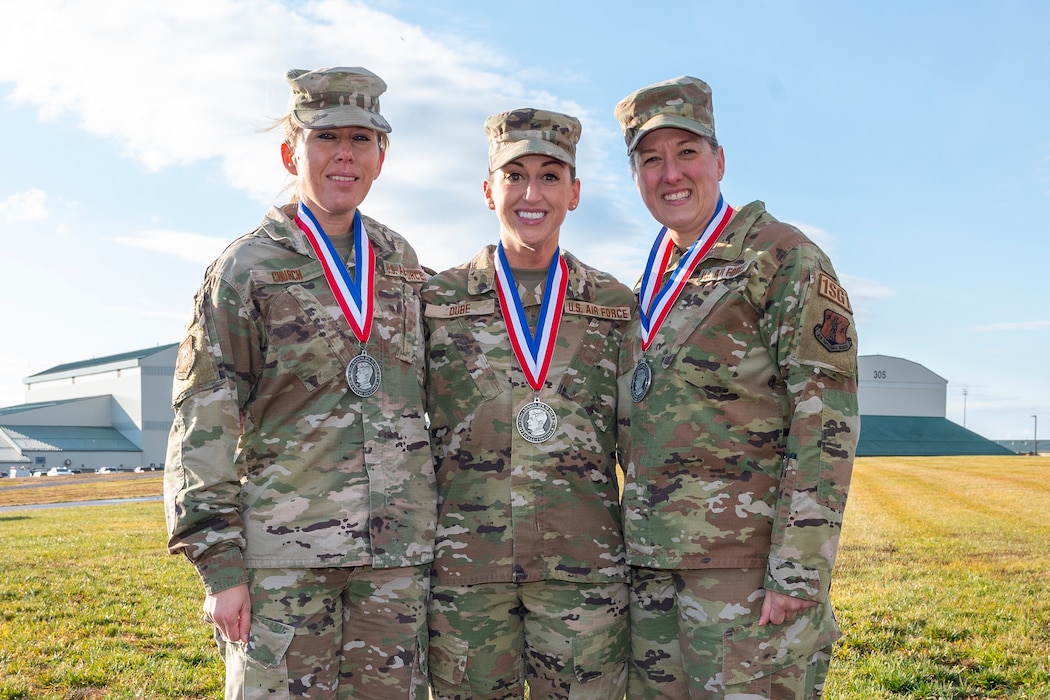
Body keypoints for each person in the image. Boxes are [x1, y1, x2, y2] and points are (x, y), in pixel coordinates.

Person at [163, 66, 437, 699]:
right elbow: (202, 416)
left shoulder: (400, 261)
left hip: (393, 561)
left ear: (381, 157)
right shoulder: (245, 267)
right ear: (292, 152)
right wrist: (221, 566)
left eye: (362, 139)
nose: (345, 153)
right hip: (286, 559)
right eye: (326, 137)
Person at [612, 76, 860, 699]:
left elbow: (824, 419)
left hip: (745, 579)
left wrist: (797, 572)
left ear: (719, 161)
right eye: (651, 159)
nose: (670, 174)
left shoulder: (780, 257)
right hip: (656, 573)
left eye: (686, 152)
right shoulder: (657, 274)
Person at [423, 108, 633, 699]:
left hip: (582, 572)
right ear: (489, 191)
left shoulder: (615, 304)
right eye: (514, 175)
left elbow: (639, 437)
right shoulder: (435, 300)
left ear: (575, 192)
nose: (531, 193)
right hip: (467, 570)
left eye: (549, 175)